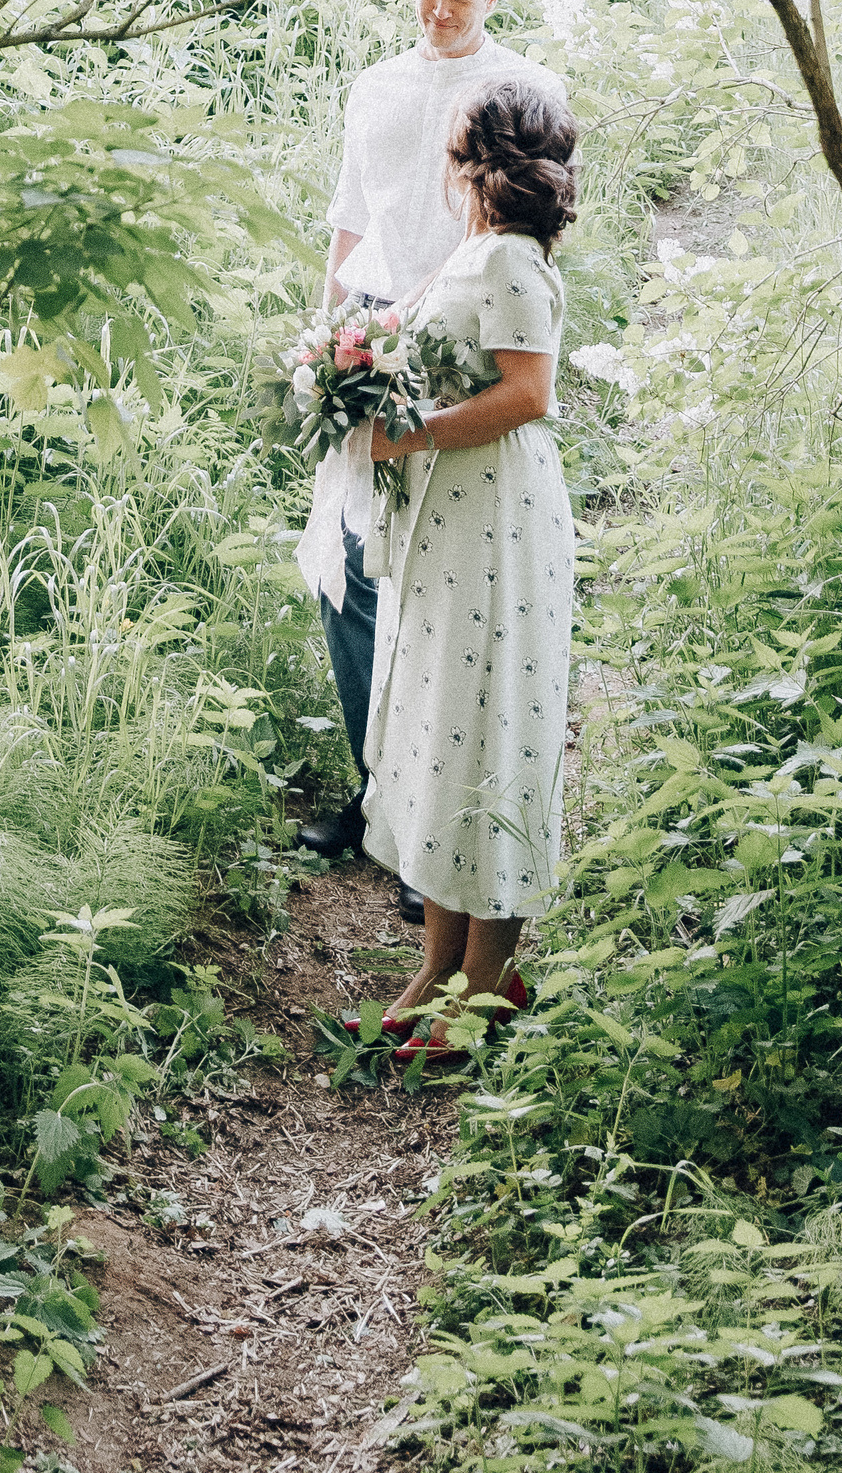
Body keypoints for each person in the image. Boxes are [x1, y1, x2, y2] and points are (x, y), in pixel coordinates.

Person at [294, 0, 552, 898]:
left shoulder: (523, 89)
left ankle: (433, 829)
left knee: (433, 589)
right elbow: (349, 220)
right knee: (350, 567)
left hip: (455, 340)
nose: (440, 11)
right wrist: (325, 350)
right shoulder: (376, 85)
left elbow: (529, 238)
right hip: (369, 331)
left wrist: (459, 354)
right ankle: (375, 795)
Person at [360, 74, 578, 1060]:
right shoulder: (479, 252)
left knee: (490, 728)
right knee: (446, 729)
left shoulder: (516, 265)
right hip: (451, 522)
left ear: (474, 159)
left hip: (496, 523)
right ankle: (438, 967)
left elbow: (527, 393)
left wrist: (411, 432)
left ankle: (485, 983)